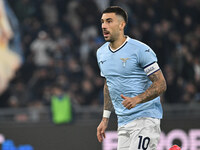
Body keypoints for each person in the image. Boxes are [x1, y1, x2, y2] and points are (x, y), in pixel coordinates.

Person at [96, 6, 167, 150]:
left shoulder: (140, 50)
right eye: (103, 22)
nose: (104, 26)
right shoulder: (101, 53)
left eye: (109, 21)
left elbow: (161, 84)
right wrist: (105, 118)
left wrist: (137, 99)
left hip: (145, 119)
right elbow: (109, 84)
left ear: (122, 25)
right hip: (123, 122)